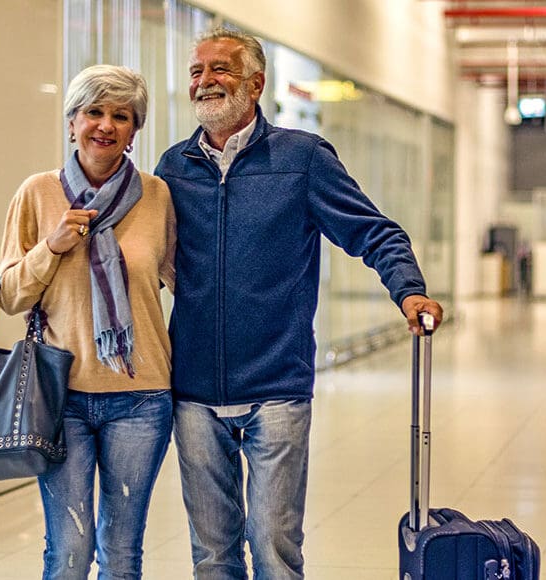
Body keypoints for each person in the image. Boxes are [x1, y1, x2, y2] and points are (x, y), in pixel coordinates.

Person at [154, 27, 444, 579]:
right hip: (192, 389)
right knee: (212, 556)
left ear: (256, 84)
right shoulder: (173, 167)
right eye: (196, 71)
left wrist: (409, 290)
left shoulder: (302, 158)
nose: (205, 81)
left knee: (273, 548)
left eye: (220, 69)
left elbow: (374, 232)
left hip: (277, 386)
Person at [0, 64, 176, 580]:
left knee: (122, 554)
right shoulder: (37, 193)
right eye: (94, 111)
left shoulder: (156, 195)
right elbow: (9, 296)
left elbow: (184, 283)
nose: (106, 124)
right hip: (61, 396)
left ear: (134, 130)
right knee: (69, 552)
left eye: (121, 115)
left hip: (142, 396)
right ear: (72, 120)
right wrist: (50, 248)